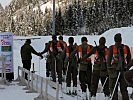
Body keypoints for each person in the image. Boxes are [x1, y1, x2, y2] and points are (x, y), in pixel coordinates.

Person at [107, 33, 131, 100]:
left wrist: (109, 71)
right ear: (121, 40)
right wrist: (127, 68)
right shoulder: (126, 47)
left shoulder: (112, 48)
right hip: (124, 70)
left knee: (113, 88)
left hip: (114, 71)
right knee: (124, 89)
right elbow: (129, 60)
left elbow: (108, 61)